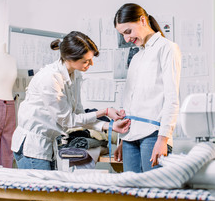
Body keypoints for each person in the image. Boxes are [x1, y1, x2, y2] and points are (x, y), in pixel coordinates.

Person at [11, 31, 130, 174]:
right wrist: (104, 112)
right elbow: (69, 121)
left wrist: (110, 126)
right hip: (32, 145)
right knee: (43, 195)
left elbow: (78, 116)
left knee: (50, 194)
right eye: (86, 61)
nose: (91, 64)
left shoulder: (75, 75)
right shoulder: (50, 78)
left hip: (48, 144)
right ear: (69, 58)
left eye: (91, 59)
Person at [113, 3, 182, 172]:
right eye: (122, 34)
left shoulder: (167, 48)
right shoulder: (136, 57)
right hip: (130, 138)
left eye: (128, 32)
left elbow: (172, 98)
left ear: (142, 20)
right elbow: (130, 101)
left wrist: (163, 139)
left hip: (153, 134)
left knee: (152, 193)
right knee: (131, 194)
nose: (126, 39)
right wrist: (123, 139)